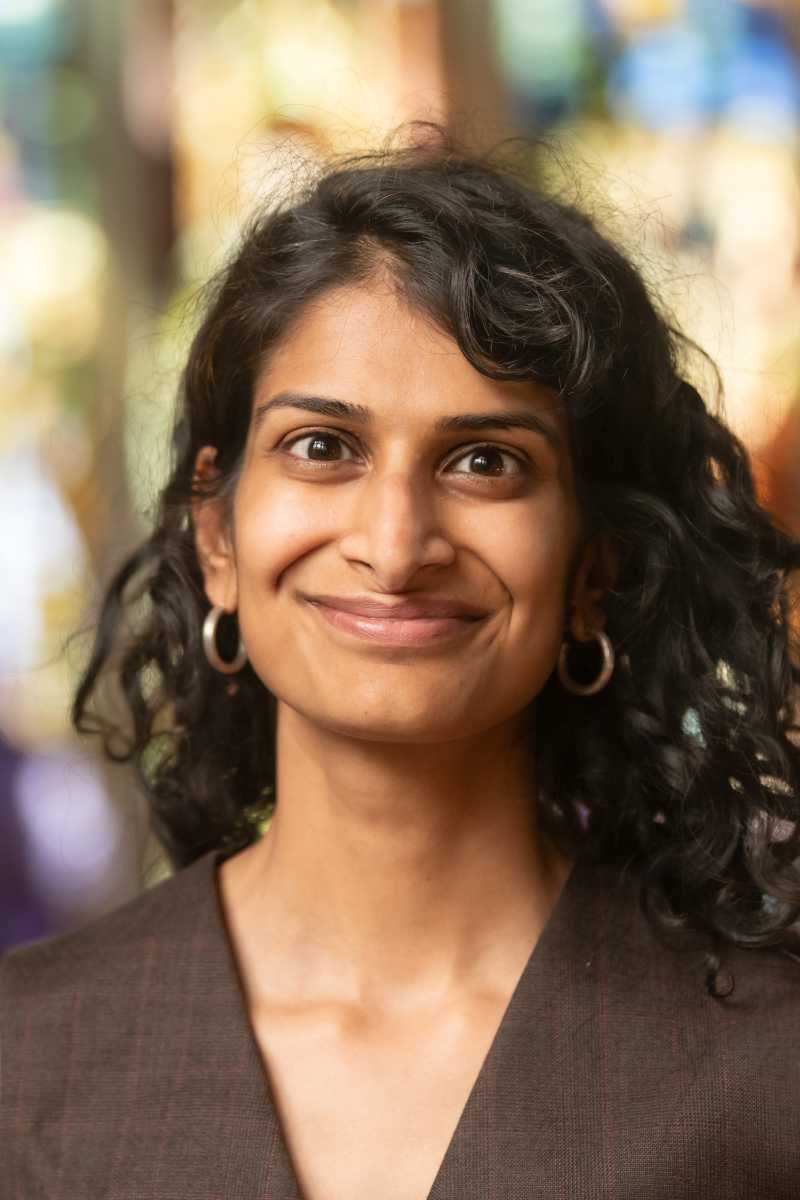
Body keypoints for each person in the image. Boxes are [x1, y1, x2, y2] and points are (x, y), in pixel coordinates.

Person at [2, 125, 800, 1200]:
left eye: (485, 461)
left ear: (593, 570)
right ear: (218, 535)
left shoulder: (764, 1069)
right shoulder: (27, 1062)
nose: (393, 544)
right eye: (322, 447)